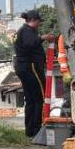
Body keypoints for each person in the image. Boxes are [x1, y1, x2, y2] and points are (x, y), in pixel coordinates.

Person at [14, 9, 58, 138]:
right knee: (40, 97)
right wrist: (43, 37)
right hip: (31, 67)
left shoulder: (23, 31)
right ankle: (37, 128)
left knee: (31, 99)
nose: (40, 24)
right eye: (39, 21)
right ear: (33, 20)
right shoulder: (27, 31)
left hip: (24, 67)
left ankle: (30, 130)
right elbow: (30, 44)